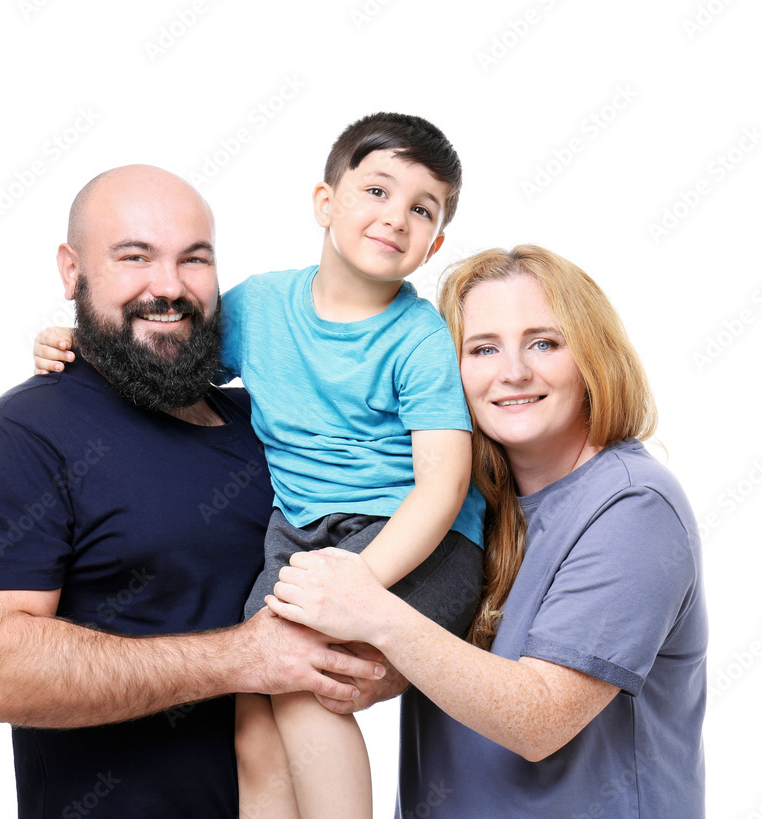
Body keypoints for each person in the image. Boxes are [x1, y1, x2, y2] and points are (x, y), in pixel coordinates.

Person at [34, 113, 487, 819]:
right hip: (304, 534)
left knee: (302, 680)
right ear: (325, 202)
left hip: (417, 537)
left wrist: (356, 583)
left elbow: (443, 484)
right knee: (252, 697)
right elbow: (168, 362)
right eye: (376, 191)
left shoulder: (417, 338)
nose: (396, 217)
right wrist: (77, 344)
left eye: (421, 209)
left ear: (435, 243)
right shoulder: (262, 306)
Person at [0, 165, 390, 819]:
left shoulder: (273, 425)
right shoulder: (19, 440)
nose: (169, 287)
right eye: (135, 256)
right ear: (72, 270)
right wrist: (243, 658)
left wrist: (372, 663)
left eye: (194, 260)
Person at [266, 245, 708, 817]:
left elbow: (540, 719)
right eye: (483, 348)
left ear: (594, 359)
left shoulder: (632, 507)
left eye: (544, 342)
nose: (514, 371)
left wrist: (372, 609)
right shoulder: (463, 506)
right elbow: (449, 664)